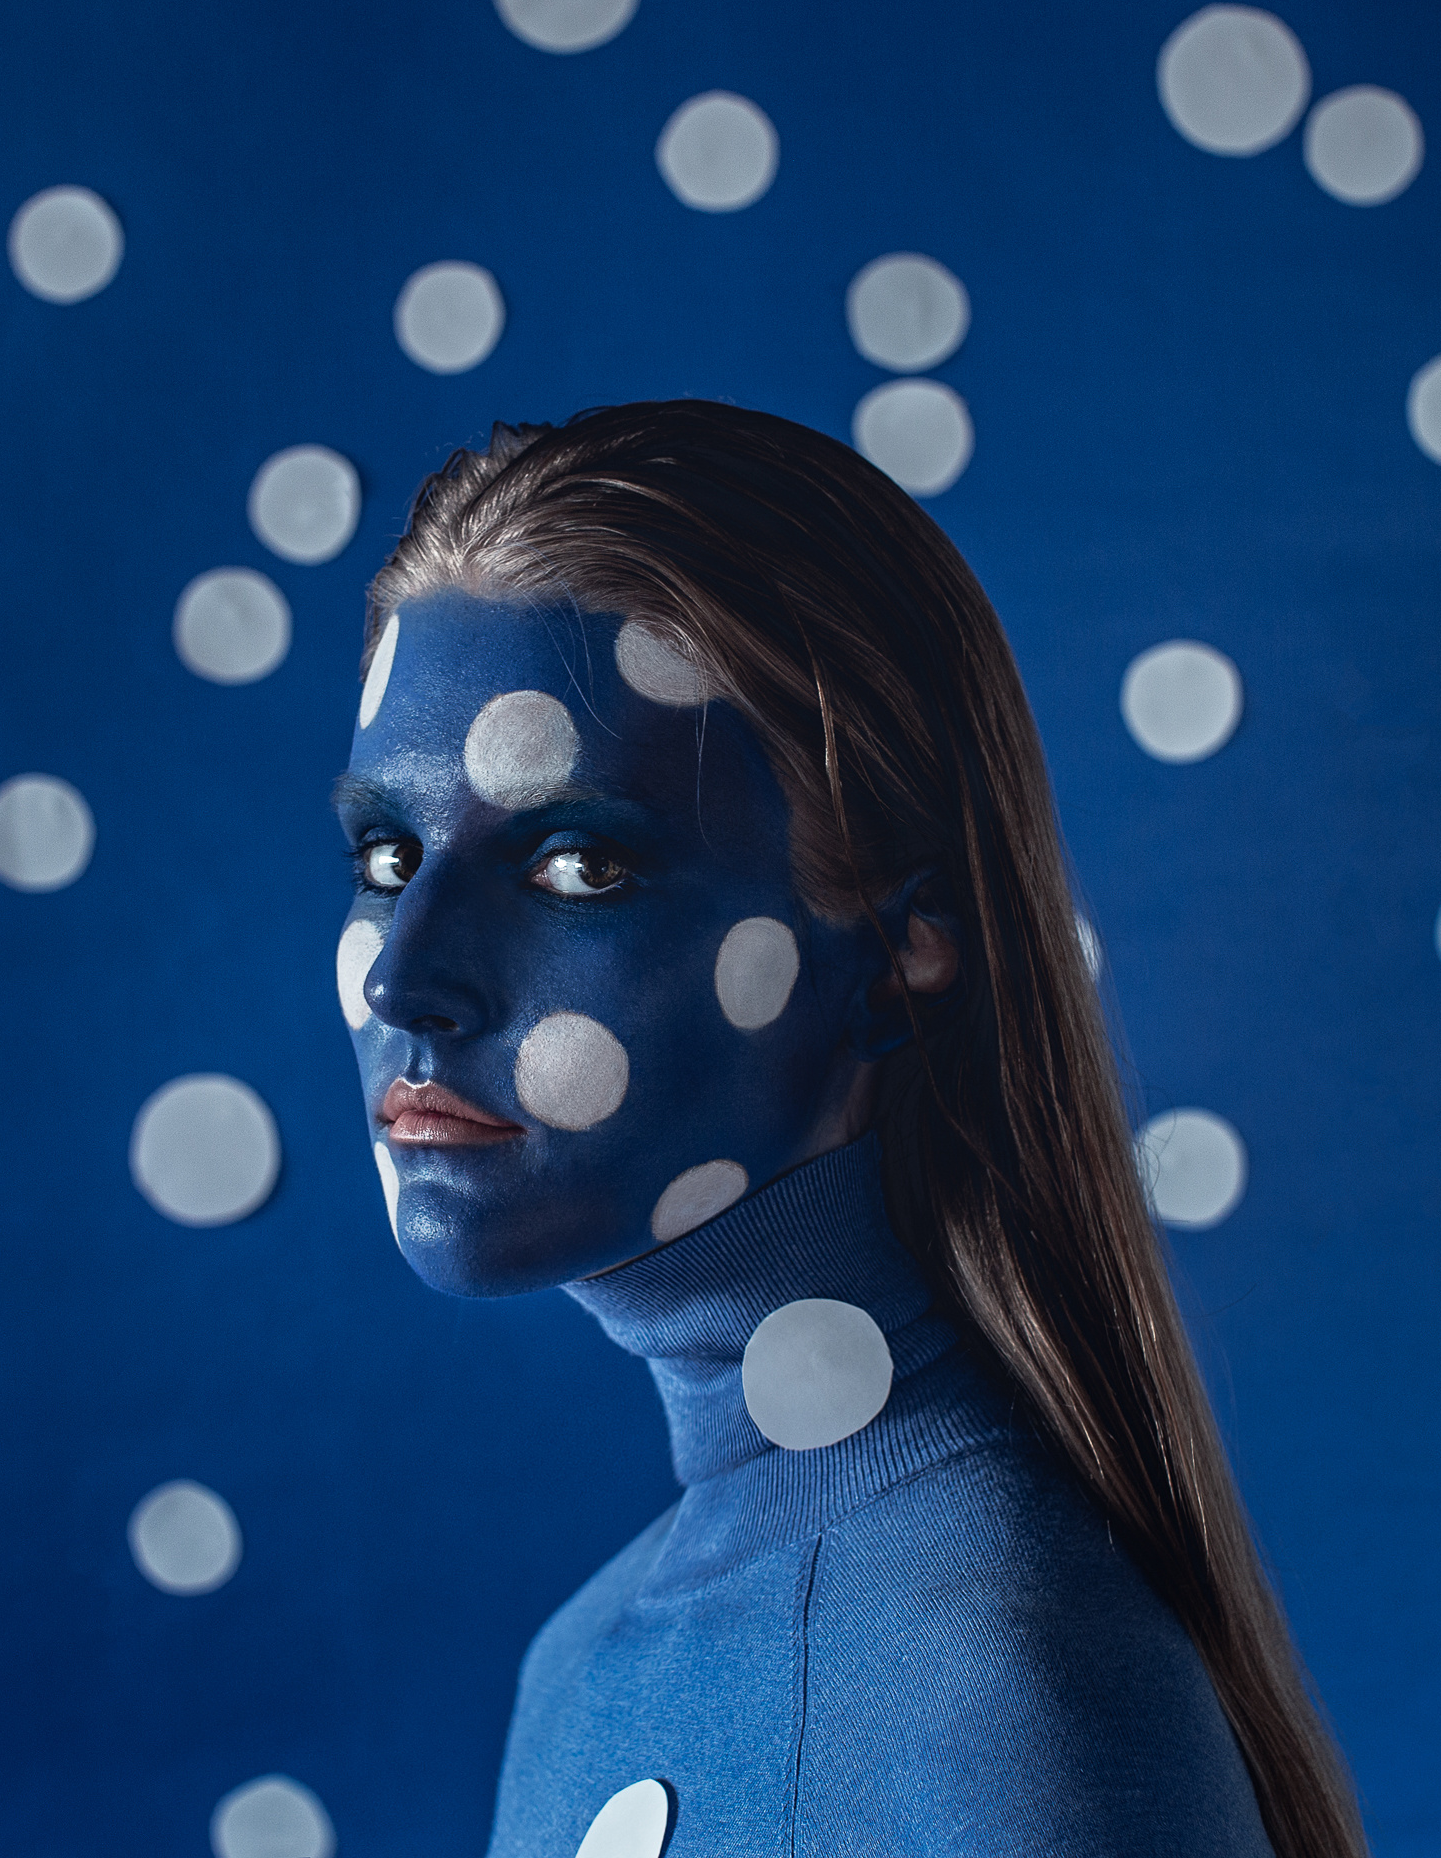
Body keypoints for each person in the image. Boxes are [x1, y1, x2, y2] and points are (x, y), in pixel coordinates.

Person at [333, 402, 1365, 1858]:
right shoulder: (580, 1661)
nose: (403, 976)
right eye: (387, 855)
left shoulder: (1006, 1696)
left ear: (896, 948)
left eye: (578, 864)